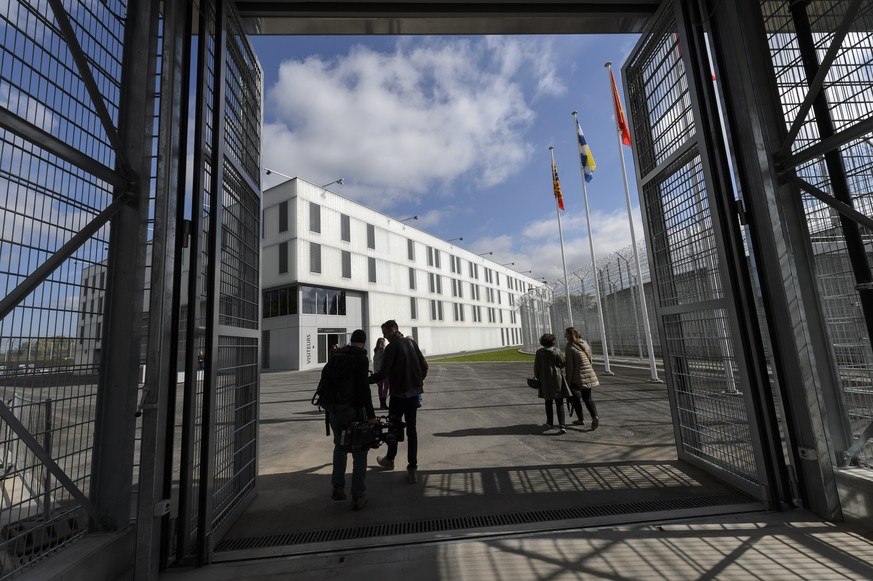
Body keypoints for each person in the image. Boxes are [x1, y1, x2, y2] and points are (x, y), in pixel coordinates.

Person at [368, 320, 428, 484]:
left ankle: (390, 460)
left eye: (384, 332)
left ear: (392, 329)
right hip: (413, 395)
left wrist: (367, 380)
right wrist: (417, 382)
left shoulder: (391, 347)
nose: (384, 336)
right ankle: (412, 469)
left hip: (398, 395)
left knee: (394, 428)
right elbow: (424, 366)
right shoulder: (411, 342)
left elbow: (383, 373)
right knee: (412, 430)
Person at [323, 329, 377, 510]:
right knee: (360, 451)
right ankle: (358, 495)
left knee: (339, 446)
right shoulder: (360, 358)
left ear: (351, 340)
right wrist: (371, 416)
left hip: (333, 411)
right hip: (352, 412)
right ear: (364, 342)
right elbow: (363, 390)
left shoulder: (337, 355)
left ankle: (338, 486)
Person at [533, 332, 572, 434]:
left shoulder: (539, 353)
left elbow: (536, 367)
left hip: (545, 379)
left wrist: (537, 376)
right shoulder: (557, 351)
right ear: (552, 342)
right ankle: (562, 425)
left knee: (548, 401)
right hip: (557, 379)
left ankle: (549, 422)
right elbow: (563, 362)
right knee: (559, 402)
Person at [564, 326, 600, 430]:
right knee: (588, 398)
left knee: (575, 399)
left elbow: (570, 367)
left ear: (571, 335)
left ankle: (580, 419)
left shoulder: (570, 347)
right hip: (589, 373)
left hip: (577, 376)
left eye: (566, 334)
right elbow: (590, 360)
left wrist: (568, 380)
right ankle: (595, 416)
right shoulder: (585, 344)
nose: (565, 336)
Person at [373, 337, 389, 409]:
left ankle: (381, 403)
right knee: (386, 386)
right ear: (383, 342)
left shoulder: (375, 350)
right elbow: (385, 360)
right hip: (383, 371)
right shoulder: (383, 349)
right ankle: (383, 403)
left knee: (380, 387)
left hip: (376, 372)